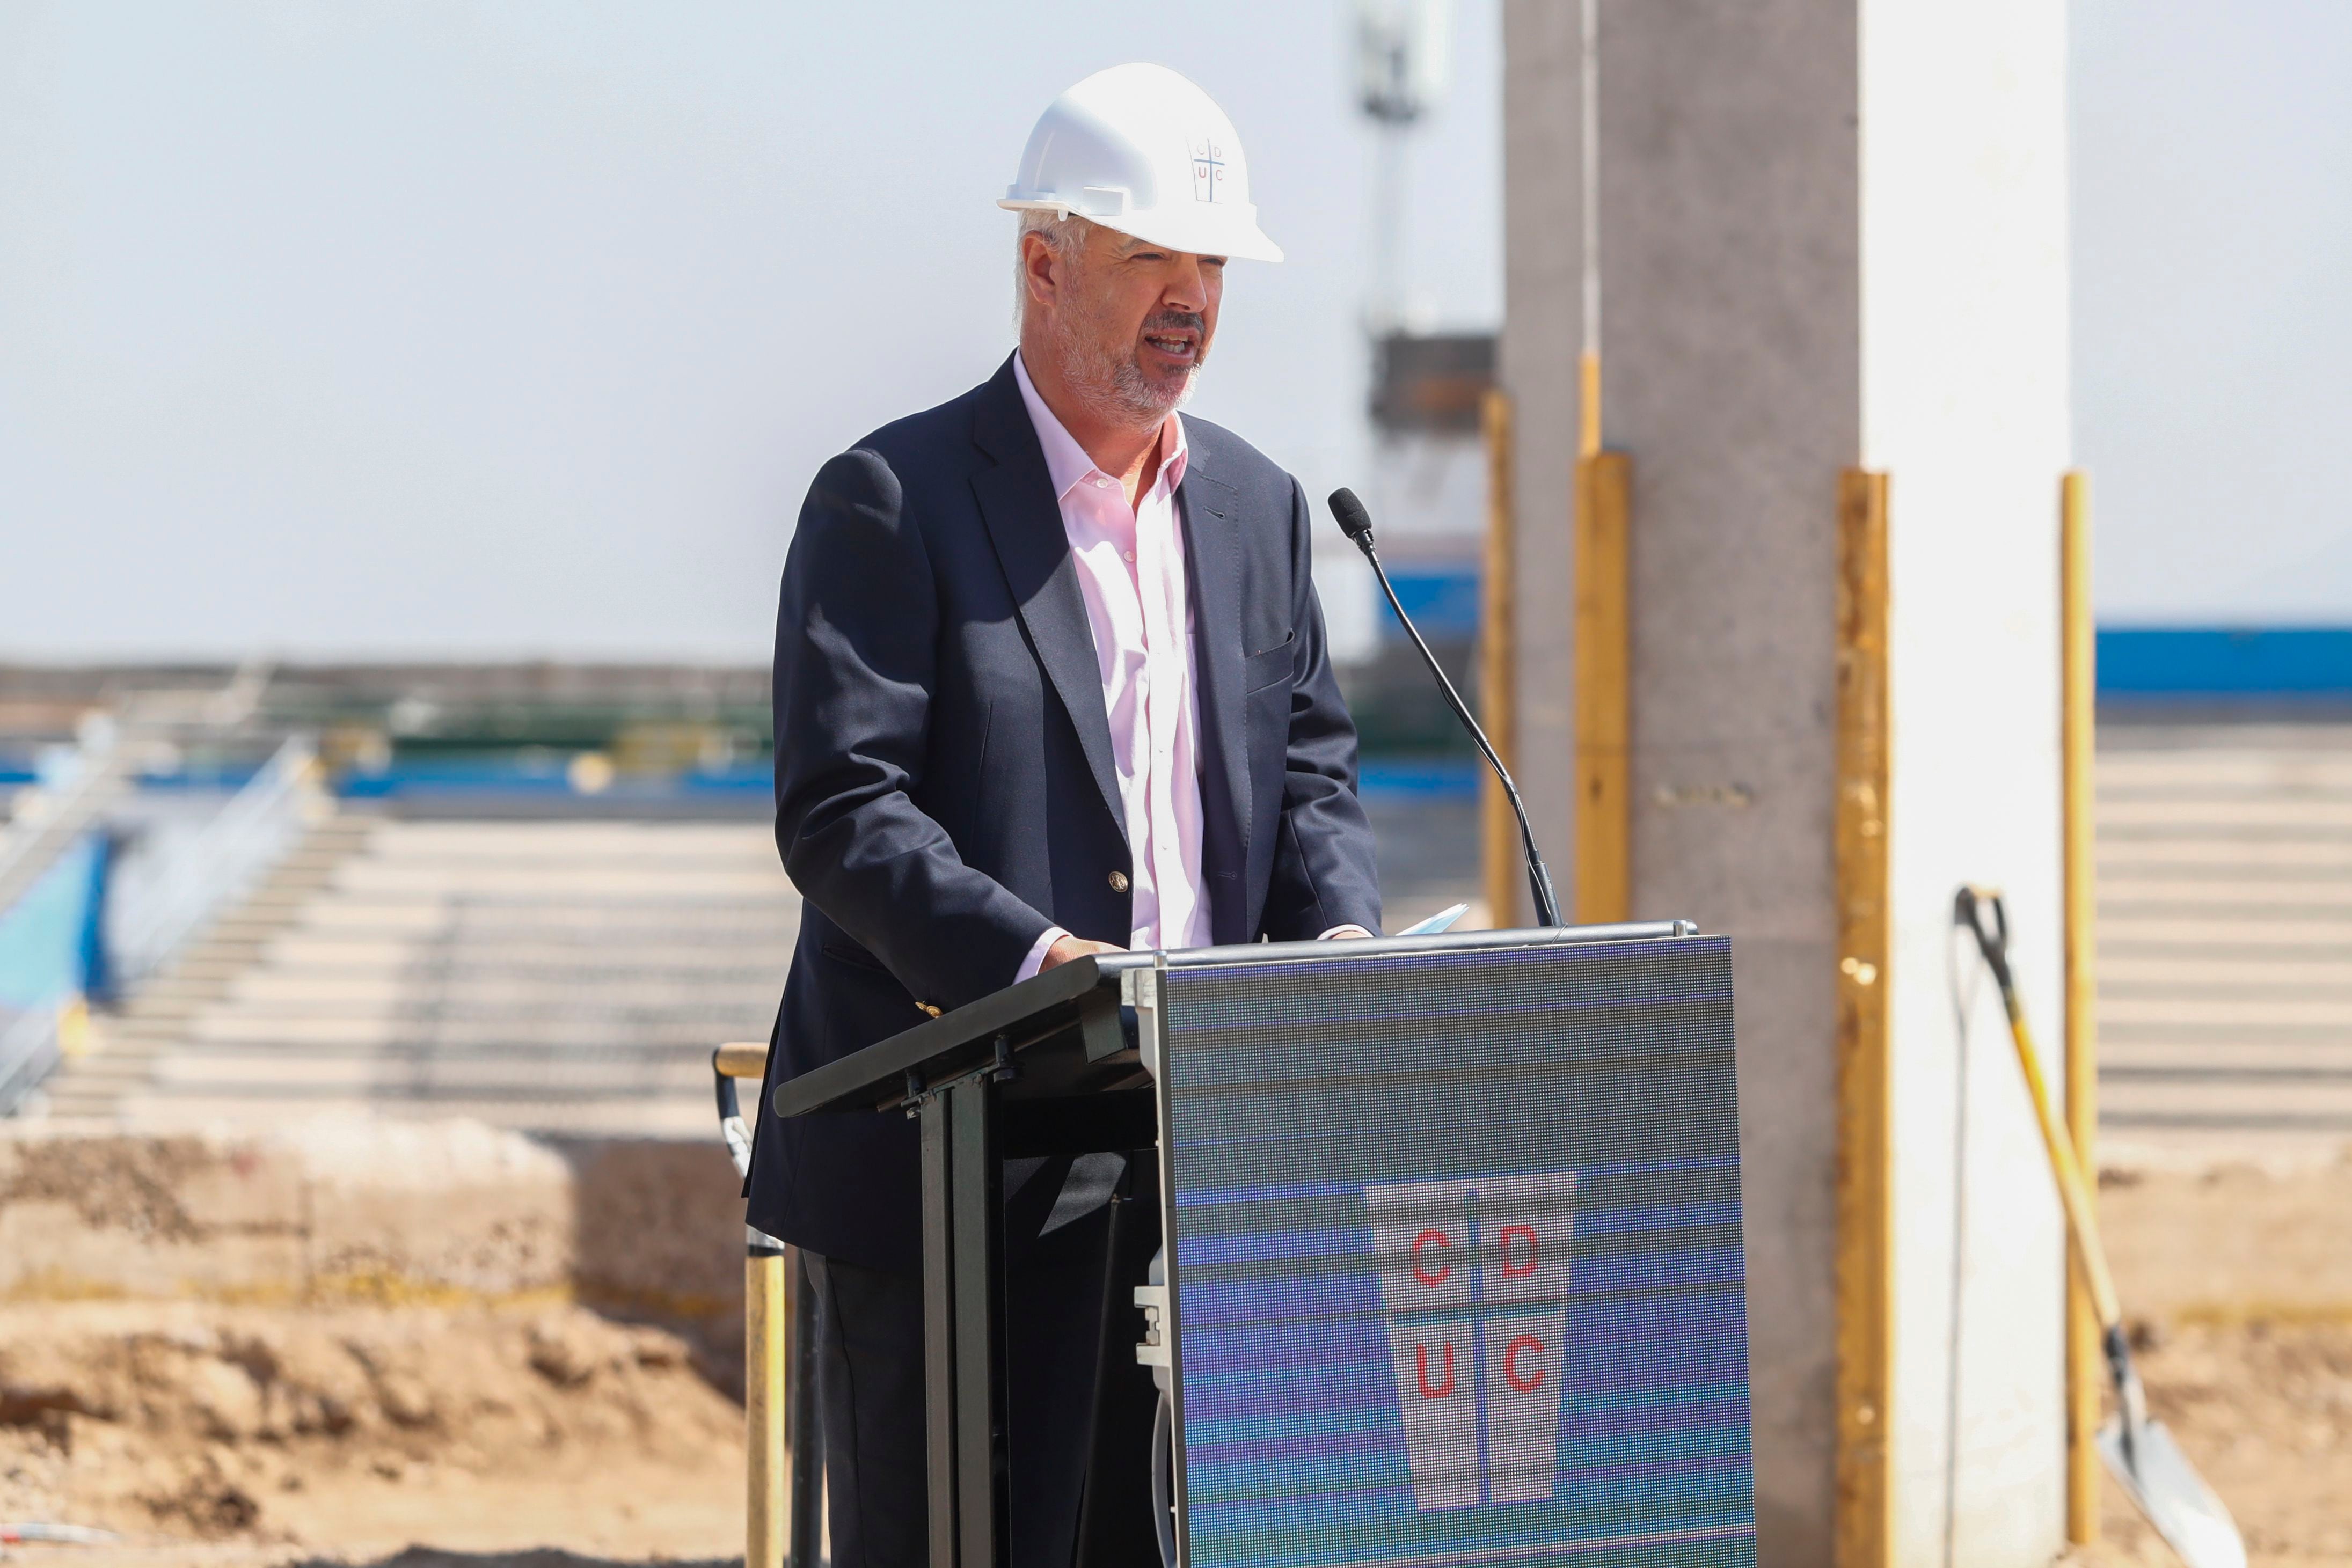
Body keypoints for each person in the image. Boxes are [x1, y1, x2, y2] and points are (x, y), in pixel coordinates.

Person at [745, 62, 1382, 1568]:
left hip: (1183, 1161)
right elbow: (843, 806)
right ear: (1045, 263)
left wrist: (1343, 931)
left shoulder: (1259, 509)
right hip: (945, 1168)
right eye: (1155, 258)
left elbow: (1307, 775)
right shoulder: (891, 498)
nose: (1192, 300)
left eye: (1212, 265)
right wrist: (1040, 968)